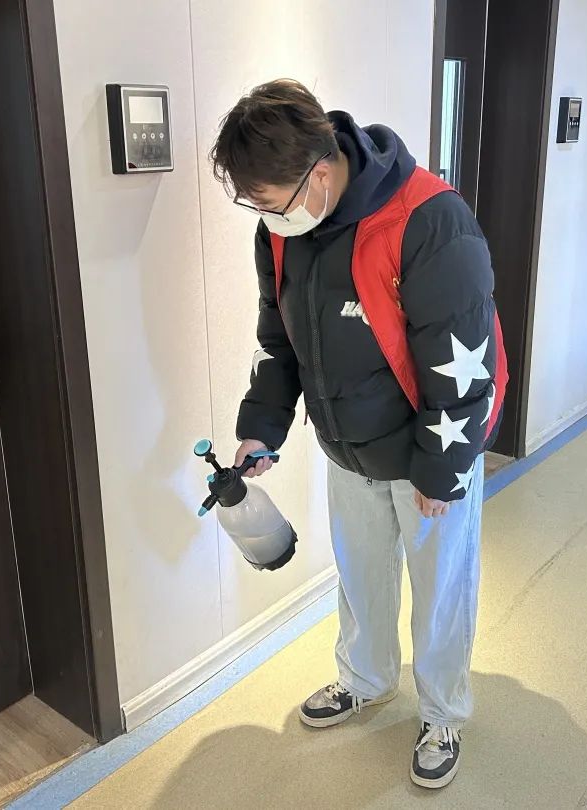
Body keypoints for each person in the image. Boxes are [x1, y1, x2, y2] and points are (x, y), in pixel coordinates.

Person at [209, 79, 507, 790]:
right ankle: (366, 679)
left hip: (431, 450)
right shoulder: (283, 231)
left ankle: (442, 712)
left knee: (440, 589)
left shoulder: (429, 219)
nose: (264, 216)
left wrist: (443, 470)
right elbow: (280, 340)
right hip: (348, 446)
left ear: (318, 173)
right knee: (361, 576)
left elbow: (465, 359)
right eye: (254, 205)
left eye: (269, 201)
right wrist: (261, 429)